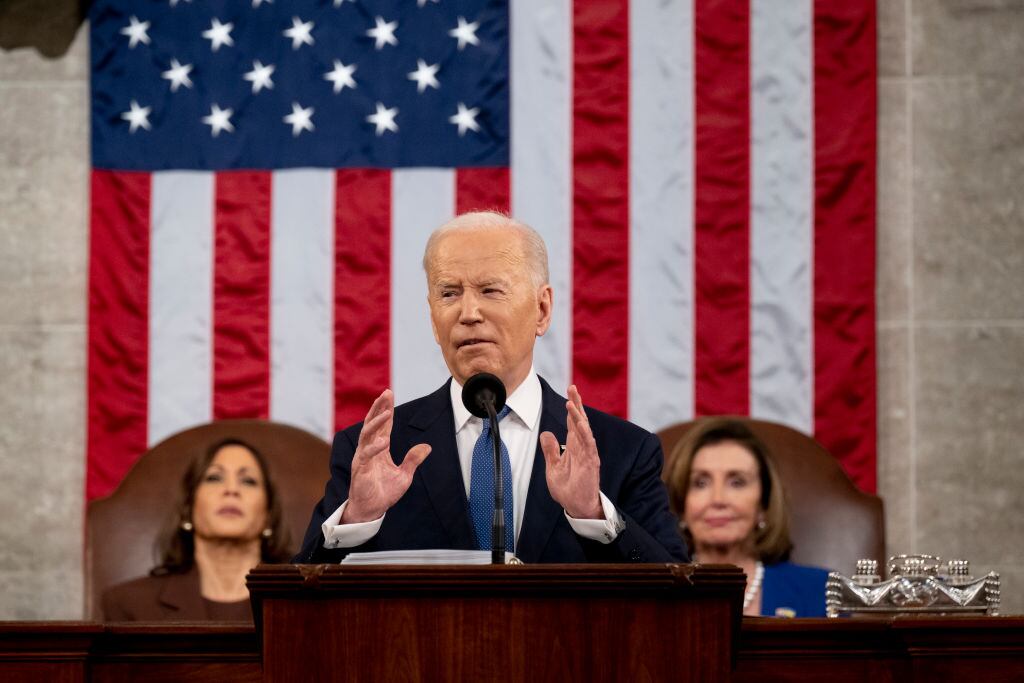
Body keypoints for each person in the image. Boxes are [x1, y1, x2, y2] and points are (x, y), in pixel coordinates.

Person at [297, 212, 687, 564]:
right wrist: (358, 520)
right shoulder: (379, 451)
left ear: (542, 309)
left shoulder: (623, 452)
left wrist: (593, 514)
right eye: (449, 293)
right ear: (433, 319)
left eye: (490, 290)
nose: (468, 314)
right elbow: (299, 608)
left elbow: (680, 602)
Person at [102, 438, 292, 621]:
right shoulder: (128, 604)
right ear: (188, 509)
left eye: (248, 481)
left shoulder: (306, 603)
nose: (231, 489)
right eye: (214, 478)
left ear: (268, 515)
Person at [664, 417, 829, 617]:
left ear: (763, 504)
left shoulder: (821, 591)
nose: (718, 499)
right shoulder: (655, 593)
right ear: (682, 506)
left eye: (737, 482)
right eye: (700, 483)